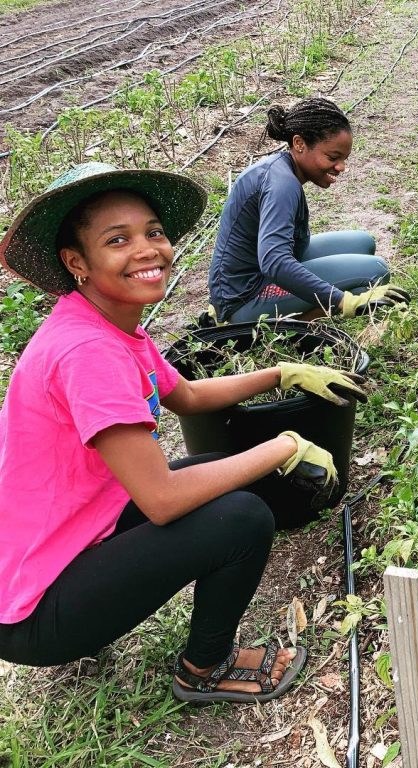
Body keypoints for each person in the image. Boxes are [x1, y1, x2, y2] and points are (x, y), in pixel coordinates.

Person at [0, 162, 368, 702]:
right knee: (240, 518)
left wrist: (284, 372)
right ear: (76, 262)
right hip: (32, 610)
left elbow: (187, 396)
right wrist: (284, 445)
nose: (148, 249)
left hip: (67, 541)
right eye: (118, 239)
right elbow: (163, 500)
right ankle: (206, 669)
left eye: (153, 232)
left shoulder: (108, 324)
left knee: (208, 473)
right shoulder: (88, 353)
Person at [207, 96, 408, 324]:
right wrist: (344, 301)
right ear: (299, 144)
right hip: (245, 298)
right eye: (333, 157)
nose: (341, 167)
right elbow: (275, 262)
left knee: (363, 242)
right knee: (375, 272)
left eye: (344, 158)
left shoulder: (282, 169)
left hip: (260, 273)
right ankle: (271, 329)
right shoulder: (281, 185)